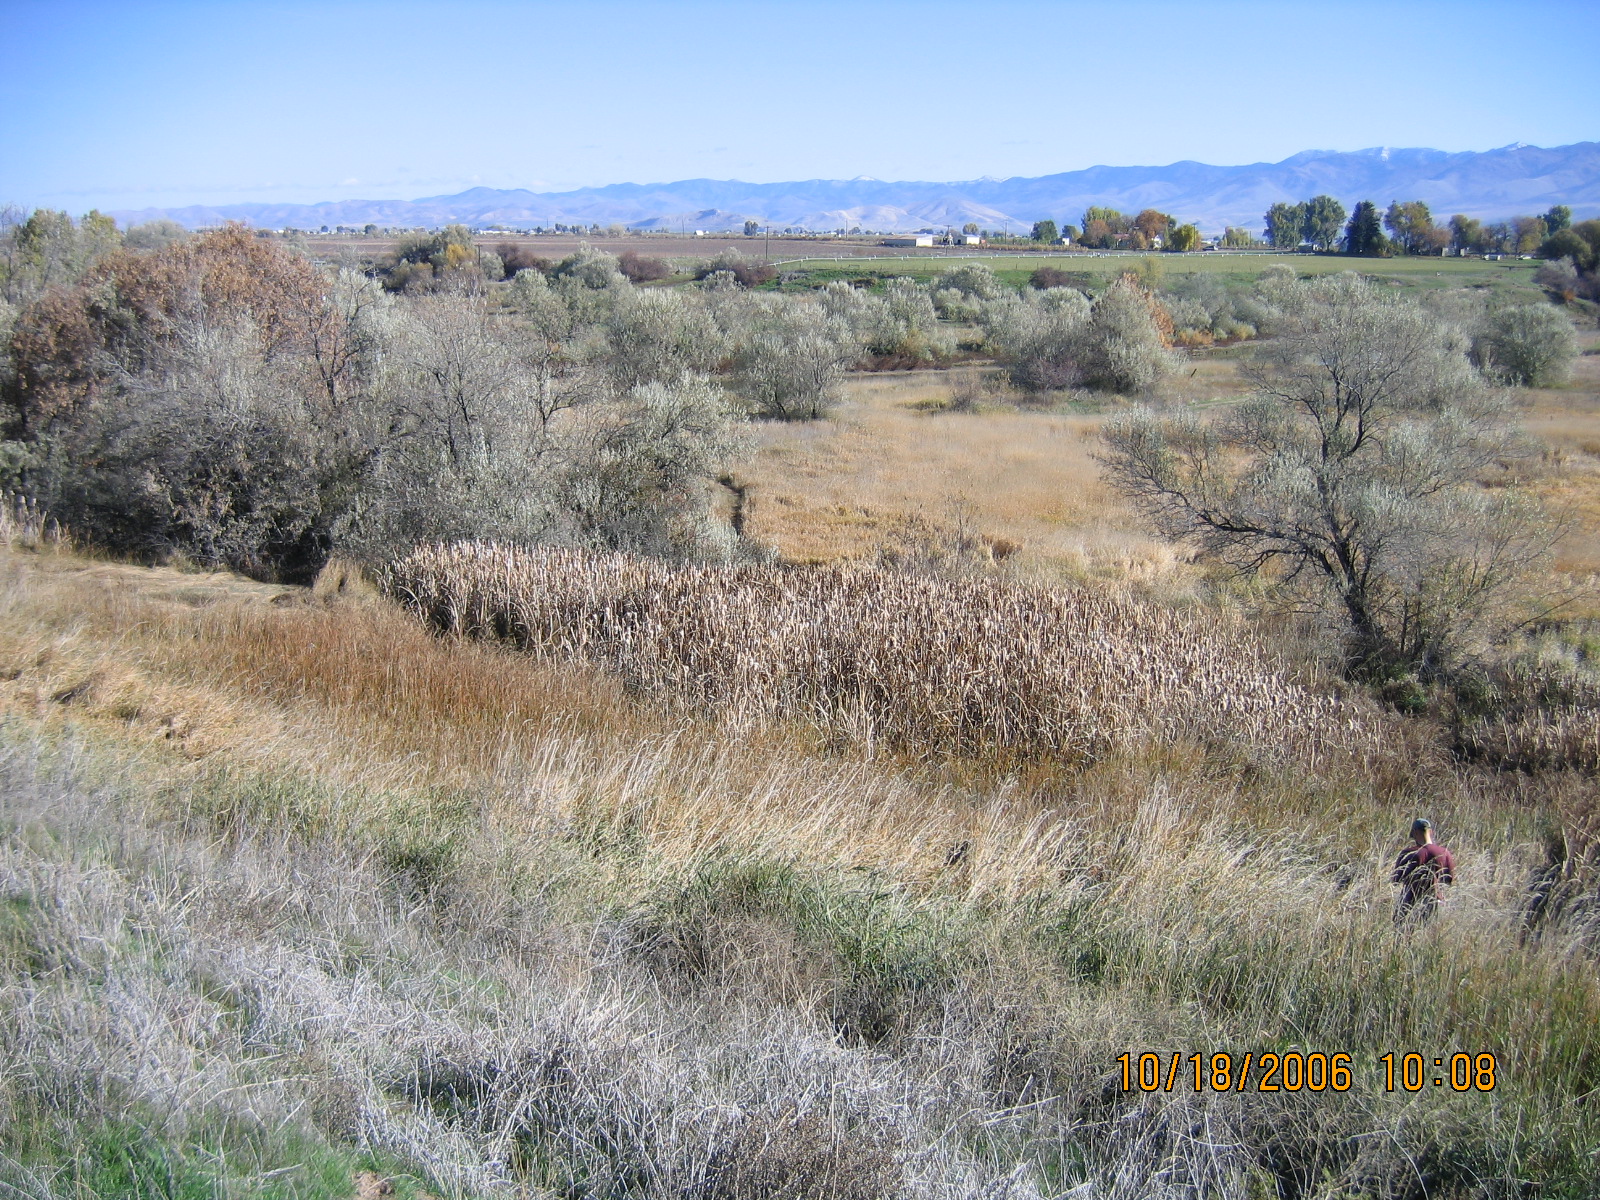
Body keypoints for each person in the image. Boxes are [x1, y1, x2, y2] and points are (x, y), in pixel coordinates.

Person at [1393, 818, 1455, 924]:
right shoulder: (1445, 852)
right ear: (1431, 832)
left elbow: (1396, 880)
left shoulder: (1408, 853)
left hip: (1410, 902)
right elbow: (1449, 880)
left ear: (1415, 832)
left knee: (1402, 933)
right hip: (1436, 901)